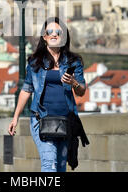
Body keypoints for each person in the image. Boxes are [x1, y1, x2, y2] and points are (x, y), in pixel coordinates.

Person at [8, 17, 86, 172]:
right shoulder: (35, 62)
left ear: (63, 37)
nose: (54, 34)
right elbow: (26, 89)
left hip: (66, 121)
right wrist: (15, 117)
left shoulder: (73, 61)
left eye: (58, 32)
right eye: (50, 31)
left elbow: (82, 91)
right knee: (49, 163)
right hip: (41, 119)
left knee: (61, 165)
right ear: (44, 37)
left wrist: (74, 83)